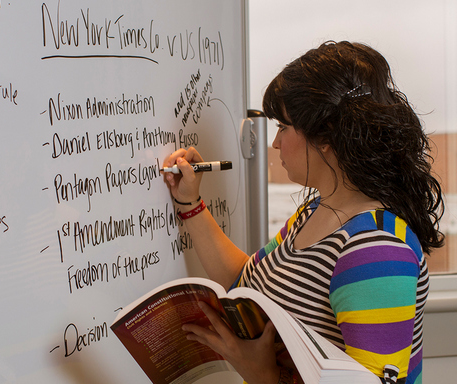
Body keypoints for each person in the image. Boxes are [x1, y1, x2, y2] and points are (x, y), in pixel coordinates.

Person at [162, 41, 444, 384]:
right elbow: (245, 282)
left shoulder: (376, 250)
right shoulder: (316, 211)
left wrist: (261, 374)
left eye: (283, 127)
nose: (275, 143)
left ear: (324, 135)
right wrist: (190, 204)